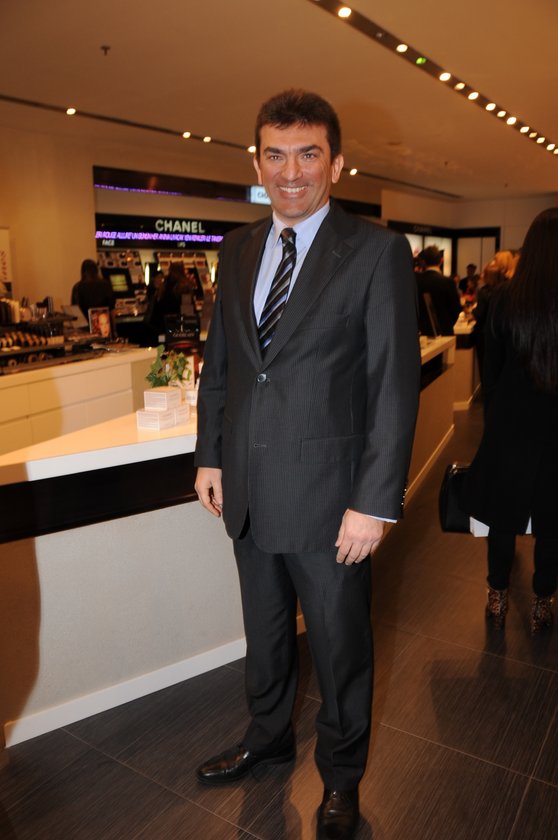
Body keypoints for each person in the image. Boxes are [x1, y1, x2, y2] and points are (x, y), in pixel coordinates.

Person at [193, 89, 420, 840]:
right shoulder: (236, 249)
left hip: (332, 505)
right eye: (276, 155)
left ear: (337, 162)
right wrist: (210, 456)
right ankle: (267, 739)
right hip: (248, 494)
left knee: (340, 649)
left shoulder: (376, 252)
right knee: (264, 638)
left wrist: (375, 501)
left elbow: (393, 385)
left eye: (309, 154)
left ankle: (342, 779)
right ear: (256, 161)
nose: (291, 172)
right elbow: (225, 367)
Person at [462, 208, 558, 635]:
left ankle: (498, 594)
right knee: (553, 522)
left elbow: (491, 373)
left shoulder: (503, 299)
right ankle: (542, 600)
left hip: (509, 427)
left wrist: (495, 422)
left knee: (501, 517)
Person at [473, 250, 518, 381]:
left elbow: (481, 313)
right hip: (509, 333)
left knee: (490, 369)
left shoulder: (493, 290)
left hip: (492, 333)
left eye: (495, 259)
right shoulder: (514, 286)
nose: (493, 262)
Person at [416, 245, 462, 335]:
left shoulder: (416, 281)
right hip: (445, 331)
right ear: (441, 260)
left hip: (422, 332)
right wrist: (447, 324)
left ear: (424, 262)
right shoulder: (448, 282)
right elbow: (456, 309)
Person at [71, 259, 115, 332]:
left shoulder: (77, 287)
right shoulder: (106, 284)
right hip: (105, 327)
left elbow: (75, 311)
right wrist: (114, 329)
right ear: (96, 270)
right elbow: (112, 309)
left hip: (86, 329)